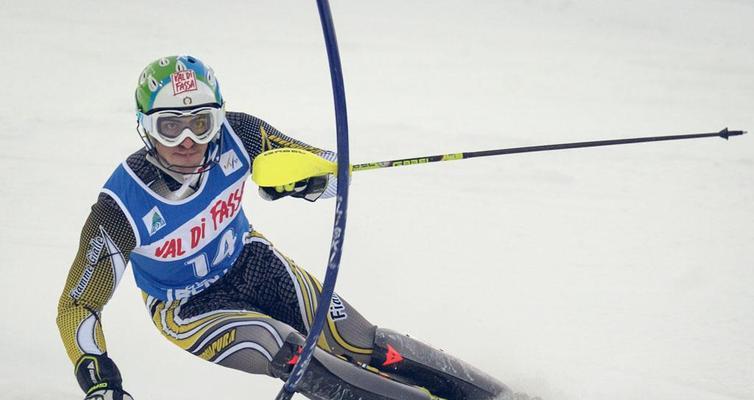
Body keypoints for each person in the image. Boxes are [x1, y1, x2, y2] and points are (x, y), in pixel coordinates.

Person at [56, 55, 508, 400]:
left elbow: (335, 171)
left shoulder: (242, 134)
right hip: (187, 308)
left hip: (251, 260)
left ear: (220, 118)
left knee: (361, 341)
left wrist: (307, 180)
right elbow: (77, 306)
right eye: (169, 126)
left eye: (201, 122)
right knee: (292, 354)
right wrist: (97, 376)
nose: (188, 141)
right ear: (145, 128)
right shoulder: (120, 206)